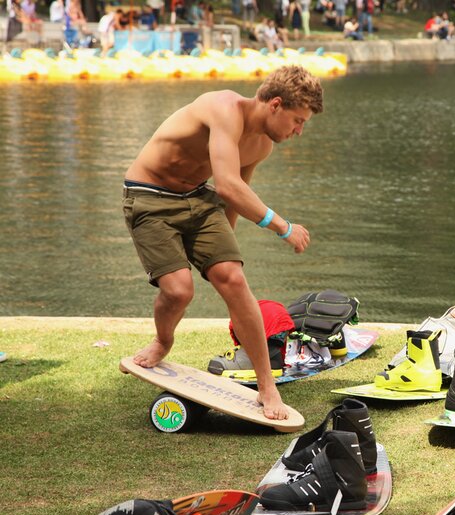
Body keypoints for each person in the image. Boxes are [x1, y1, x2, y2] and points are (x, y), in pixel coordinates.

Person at [122, 65, 322, 420]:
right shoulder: (223, 108)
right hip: (149, 196)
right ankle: (163, 341)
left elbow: (234, 197)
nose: (299, 131)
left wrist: (220, 259)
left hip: (199, 199)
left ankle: (266, 387)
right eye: (297, 120)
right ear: (275, 104)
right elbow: (228, 185)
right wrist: (283, 226)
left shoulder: (261, 145)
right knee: (179, 290)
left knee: (234, 280)